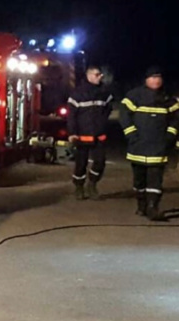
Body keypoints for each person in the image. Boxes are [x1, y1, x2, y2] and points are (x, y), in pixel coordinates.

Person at [120, 67, 179, 221]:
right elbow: (124, 115)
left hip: (158, 146)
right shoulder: (135, 96)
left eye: (159, 77)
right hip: (138, 146)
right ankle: (141, 204)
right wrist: (131, 134)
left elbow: (175, 119)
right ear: (146, 79)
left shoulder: (167, 99)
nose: (156, 80)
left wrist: (170, 135)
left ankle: (153, 207)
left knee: (156, 179)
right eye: (153, 77)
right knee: (139, 180)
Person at [67, 63, 113, 199]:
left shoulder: (104, 93)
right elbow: (71, 116)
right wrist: (72, 133)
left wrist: (102, 123)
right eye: (97, 75)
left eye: (101, 75)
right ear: (89, 76)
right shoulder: (78, 94)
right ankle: (79, 187)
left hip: (99, 135)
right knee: (81, 164)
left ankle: (92, 184)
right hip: (82, 135)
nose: (100, 77)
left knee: (100, 162)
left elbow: (108, 109)